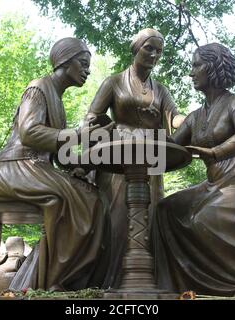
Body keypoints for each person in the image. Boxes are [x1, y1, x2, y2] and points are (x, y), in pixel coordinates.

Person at [150, 43, 235, 296]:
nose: (191, 72)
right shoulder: (196, 116)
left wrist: (217, 152)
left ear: (214, 67)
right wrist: (137, 134)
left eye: (196, 65)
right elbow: (171, 146)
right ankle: (182, 286)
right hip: (217, 182)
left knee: (208, 217)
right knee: (166, 209)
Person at [0, 37, 112, 291]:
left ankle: (57, 279)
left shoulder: (57, 99)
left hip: (36, 168)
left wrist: (80, 163)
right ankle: (52, 282)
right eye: (83, 63)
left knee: (93, 196)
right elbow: (30, 132)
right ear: (65, 61)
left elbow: (56, 151)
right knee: (77, 199)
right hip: (14, 167)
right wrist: (78, 135)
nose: (87, 70)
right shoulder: (38, 88)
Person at [85, 28, 185, 288]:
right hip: (119, 158)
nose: (154, 54)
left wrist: (192, 121)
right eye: (149, 48)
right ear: (136, 49)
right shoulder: (114, 82)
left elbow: (174, 117)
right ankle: (113, 282)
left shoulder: (161, 90)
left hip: (150, 159)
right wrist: (103, 127)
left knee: (150, 215)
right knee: (117, 217)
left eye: (159, 51)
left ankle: (144, 281)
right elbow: (90, 118)